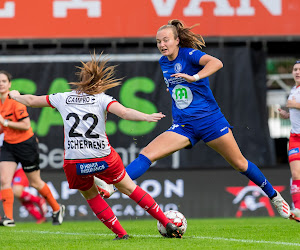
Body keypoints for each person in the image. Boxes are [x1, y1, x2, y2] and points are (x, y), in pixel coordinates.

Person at [96, 19, 292, 220]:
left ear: (177, 40)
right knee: (147, 154)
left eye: (166, 40)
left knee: (240, 164)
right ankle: (112, 186)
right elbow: (177, 87)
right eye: (158, 42)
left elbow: (217, 63)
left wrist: (195, 78)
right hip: (184, 126)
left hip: (210, 122)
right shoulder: (164, 62)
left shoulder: (189, 54)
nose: (162, 45)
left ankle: (274, 196)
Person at [8, 53, 182, 240]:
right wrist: (146, 116)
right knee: (130, 188)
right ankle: (167, 222)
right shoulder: (103, 99)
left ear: (80, 82)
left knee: (91, 196)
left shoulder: (63, 98)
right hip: (103, 158)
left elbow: (33, 101)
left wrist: (16, 95)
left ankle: (121, 234)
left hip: (75, 162)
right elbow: (124, 112)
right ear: (98, 83)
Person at [0, 70, 65, 227]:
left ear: (9, 84)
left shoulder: (15, 101)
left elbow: (26, 125)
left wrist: (5, 122)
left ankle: (56, 208)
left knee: (35, 183)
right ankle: (8, 218)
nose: (0, 84)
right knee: (4, 181)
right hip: (9, 145)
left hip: (26, 145)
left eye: (3, 81)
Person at [278, 60, 300, 220]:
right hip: (294, 136)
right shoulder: (294, 89)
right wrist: (287, 114)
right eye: (295, 69)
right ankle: (297, 208)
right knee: (295, 173)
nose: (297, 72)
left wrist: (296, 105)